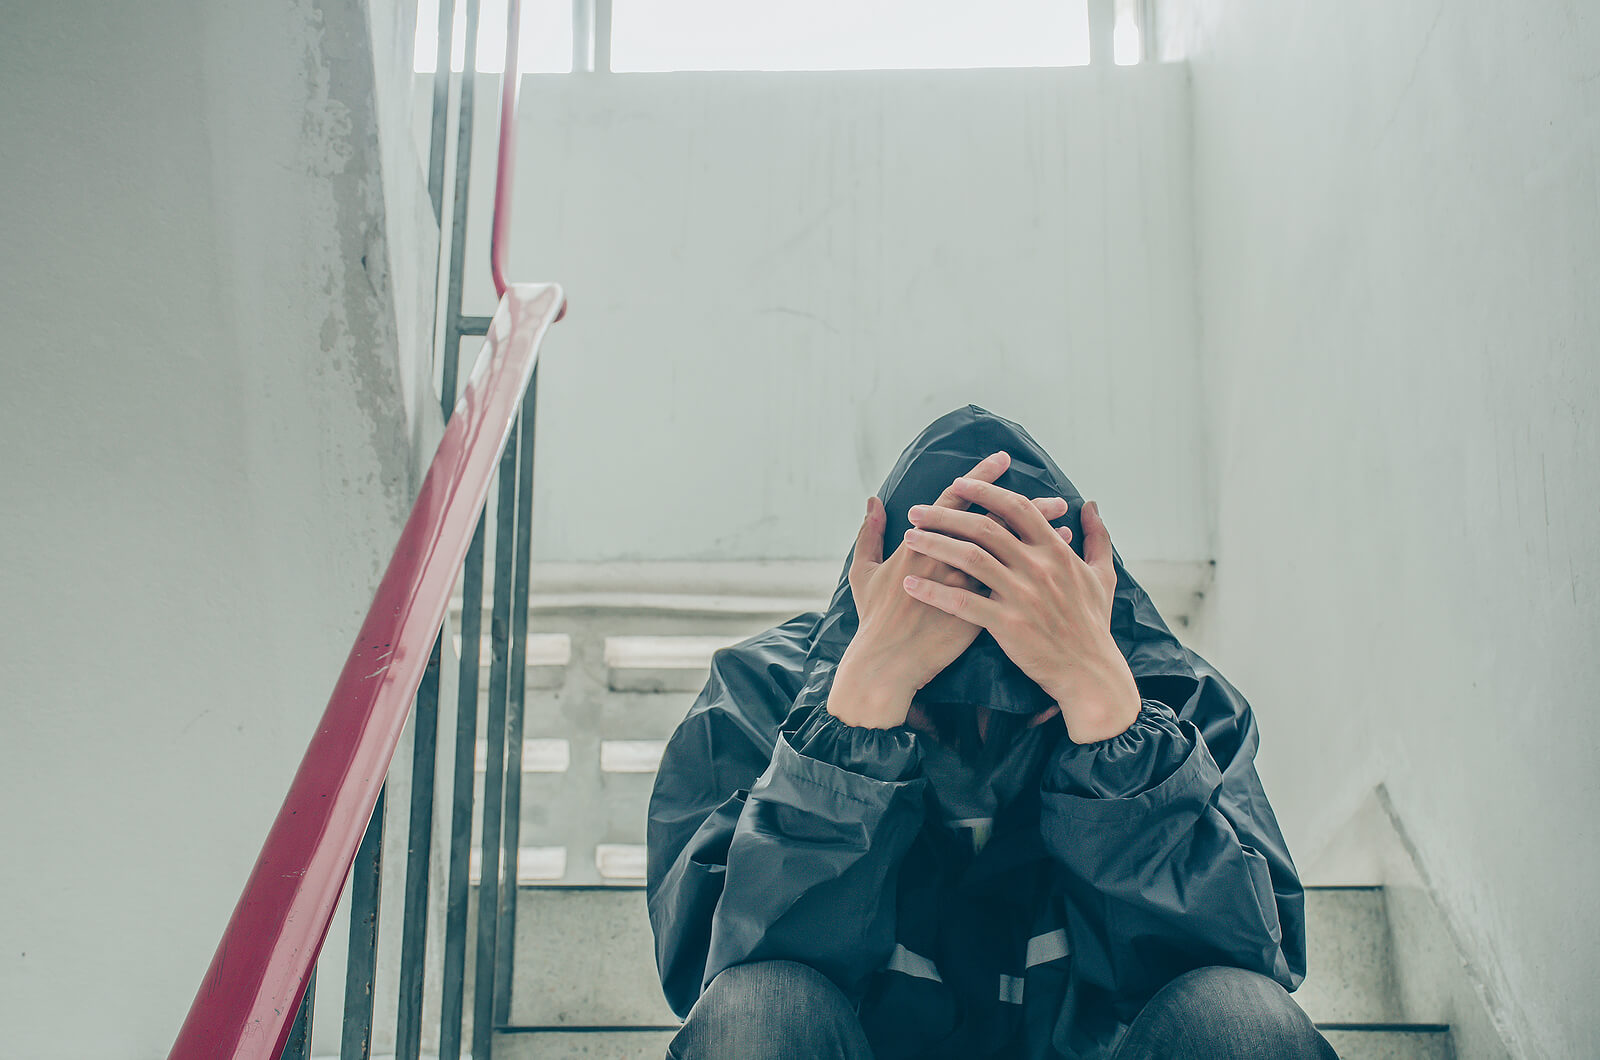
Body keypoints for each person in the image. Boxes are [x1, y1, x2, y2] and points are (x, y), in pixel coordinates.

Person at [645, 404, 1340, 1060]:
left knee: (1244, 1020)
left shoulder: (1175, 698)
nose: (980, 735)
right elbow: (714, 977)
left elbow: (1252, 967)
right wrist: (861, 706)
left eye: (1026, 702)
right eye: (935, 704)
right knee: (758, 1011)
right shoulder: (762, 692)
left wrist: (1104, 713)